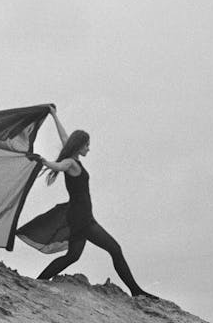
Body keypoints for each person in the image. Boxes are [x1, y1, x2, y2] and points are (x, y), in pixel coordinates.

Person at [32, 106, 158, 300]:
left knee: (73, 256)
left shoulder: (72, 157)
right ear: (80, 146)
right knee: (115, 249)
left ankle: (39, 281)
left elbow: (66, 139)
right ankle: (136, 290)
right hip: (83, 219)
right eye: (87, 145)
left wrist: (54, 115)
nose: (89, 148)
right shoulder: (71, 163)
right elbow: (59, 165)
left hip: (78, 216)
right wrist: (44, 161)